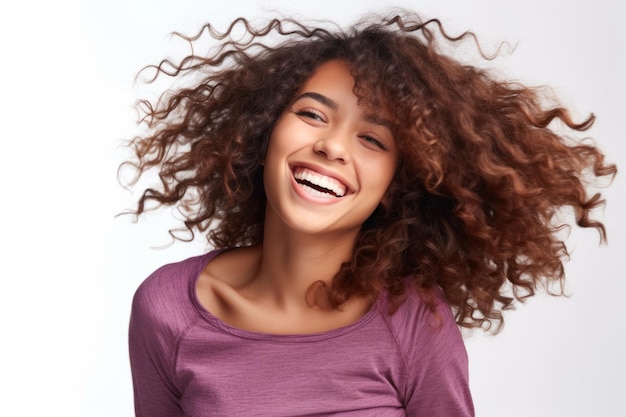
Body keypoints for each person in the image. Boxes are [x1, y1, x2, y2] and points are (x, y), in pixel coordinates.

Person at [124, 11, 616, 417]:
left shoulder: (413, 321)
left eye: (373, 139)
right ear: (263, 132)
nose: (332, 146)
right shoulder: (168, 309)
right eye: (312, 114)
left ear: (397, 185)